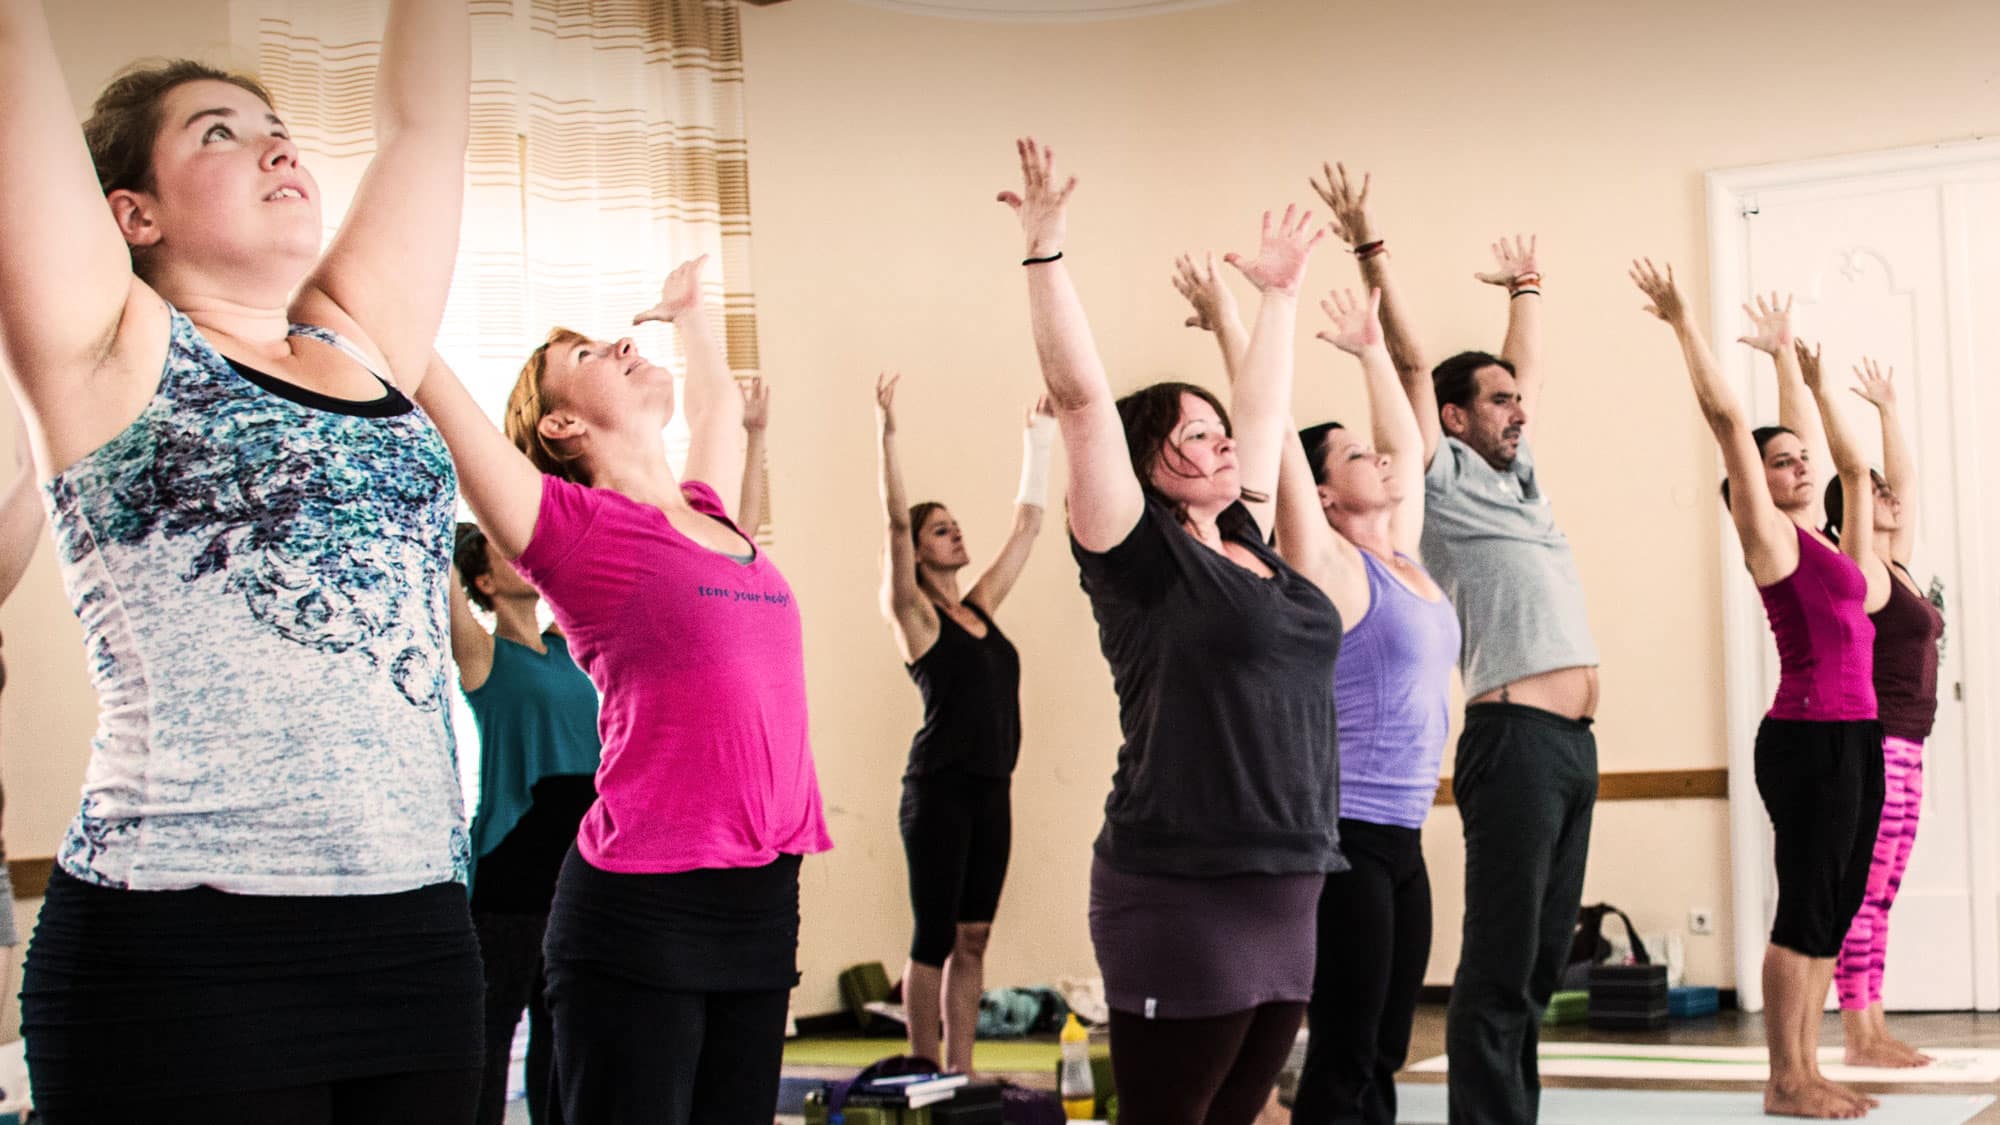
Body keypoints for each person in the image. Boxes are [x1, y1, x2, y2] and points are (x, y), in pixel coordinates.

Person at [1, 0, 480, 1118]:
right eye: (217, 131)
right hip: (184, 943)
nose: (278, 145)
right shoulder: (106, 347)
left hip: (416, 926)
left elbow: (424, 127)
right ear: (130, 214)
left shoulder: (359, 338)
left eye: (276, 125)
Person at [411, 256, 830, 1124]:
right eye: (590, 355)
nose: (620, 344)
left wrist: (690, 314)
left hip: (760, 898)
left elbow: (716, 406)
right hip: (644, 909)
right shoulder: (571, 532)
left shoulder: (708, 511)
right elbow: (437, 395)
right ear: (561, 422)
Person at [999, 137, 1344, 1125]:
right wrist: (1044, 251)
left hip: (1289, 876)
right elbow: (1077, 402)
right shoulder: (1137, 555)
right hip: (1178, 881)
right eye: (1194, 432)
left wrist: (1278, 299)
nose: (1222, 438)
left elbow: (1266, 419)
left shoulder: (1250, 539)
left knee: (1235, 1117)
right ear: (1146, 463)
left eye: (1216, 425)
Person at [1311, 164, 1597, 1125]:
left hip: (1572, 747)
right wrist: (1368, 246)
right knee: (1499, 967)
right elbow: (1412, 357)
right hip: (1512, 740)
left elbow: (1528, 375)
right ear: (1455, 419)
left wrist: (1527, 293)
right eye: (1499, 401)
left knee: (1539, 968)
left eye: (1520, 399)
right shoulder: (1441, 481)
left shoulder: (1524, 483)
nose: (1519, 408)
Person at [1176, 254, 1458, 1125]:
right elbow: (1272, 426)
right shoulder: (1331, 564)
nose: (1376, 458)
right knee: (1344, 1044)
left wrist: (1372, 350)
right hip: (1347, 835)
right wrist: (1238, 317)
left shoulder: (1401, 552)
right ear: (1326, 494)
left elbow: (1409, 442)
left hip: (1403, 834)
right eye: (1350, 457)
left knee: (1385, 1042)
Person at [1631, 263, 1884, 1120]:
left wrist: (1785, 357)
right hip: (1808, 737)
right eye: (1781, 465)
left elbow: (1793, 425)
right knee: (1804, 903)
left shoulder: (1825, 539)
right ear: (1752, 487)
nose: (1800, 468)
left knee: (1833, 906)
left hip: (1857, 735)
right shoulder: (1771, 539)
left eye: (1802, 461)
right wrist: (1682, 323)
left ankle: (1807, 1065)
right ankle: (1784, 1078)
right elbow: (1729, 421)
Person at [873, 372, 1055, 1071]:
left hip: (992, 788)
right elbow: (892, 523)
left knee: (974, 936)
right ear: (918, 550)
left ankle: (962, 1068)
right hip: (939, 790)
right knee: (933, 937)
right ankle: (922, 1066)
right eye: (940, 528)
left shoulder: (980, 609)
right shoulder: (914, 617)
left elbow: (1029, 524)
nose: (955, 533)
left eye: (954, 524)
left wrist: (1036, 439)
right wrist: (886, 436)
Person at [450, 516, 603, 1125]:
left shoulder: (570, 650)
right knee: (491, 1033)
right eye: (502, 553)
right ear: (484, 582)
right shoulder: (485, 655)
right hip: (510, 872)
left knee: (561, 1037)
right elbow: (439, 579)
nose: (521, 554)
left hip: (576, 869)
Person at [1827, 359, 1943, 1069]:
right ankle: (1858, 1032)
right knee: (1864, 893)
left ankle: (1874, 1023)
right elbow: (1856, 484)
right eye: (1874, 492)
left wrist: (1889, 410)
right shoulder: (1862, 571)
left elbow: (1910, 484)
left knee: (1884, 892)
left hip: (1910, 747)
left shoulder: (1896, 564)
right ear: (1854, 507)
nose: (1890, 495)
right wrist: (1855, 471)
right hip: (1879, 746)